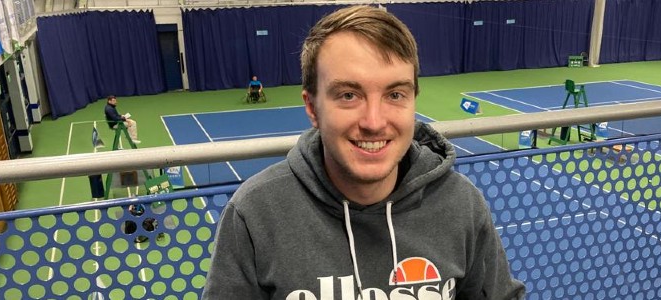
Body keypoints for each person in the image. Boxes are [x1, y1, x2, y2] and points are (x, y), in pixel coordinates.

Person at [202, 5, 525, 300]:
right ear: (312, 107)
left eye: (395, 94)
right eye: (348, 95)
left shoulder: (461, 204)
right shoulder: (255, 214)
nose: (374, 122)